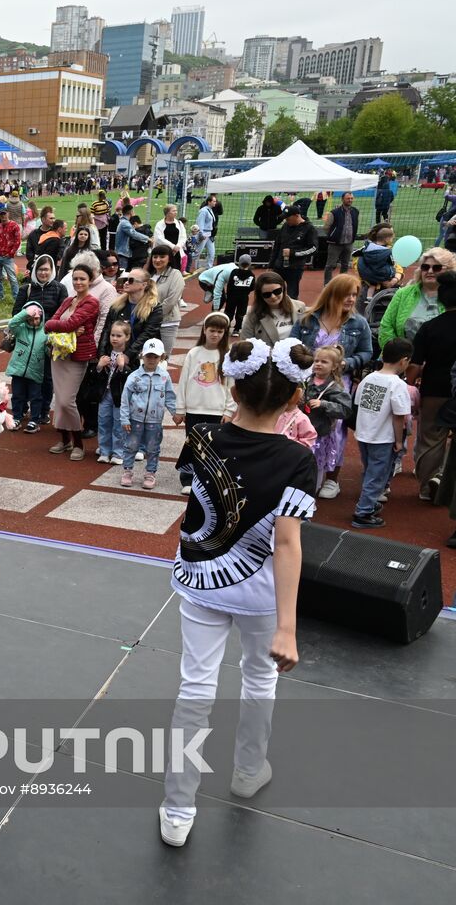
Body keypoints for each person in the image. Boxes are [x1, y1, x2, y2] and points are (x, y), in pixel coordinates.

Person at [162, 337, 315, 847]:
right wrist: (288, 627)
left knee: (195, 688)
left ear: (231, 383)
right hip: (261, 593)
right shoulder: (298, 459)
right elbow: (288, 543)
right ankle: (248, 768)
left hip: (200, 581)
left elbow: (192, 485)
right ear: (294, 399)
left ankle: (177, 809)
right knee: (259, 679)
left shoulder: (203, 437)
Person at [351, 338, 413, 529]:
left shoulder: (368, 378)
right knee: (377, 475)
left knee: (370, 470)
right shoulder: (397, 384)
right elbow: (398, 417)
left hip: (364, 435)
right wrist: (398, 441)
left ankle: (368, 503)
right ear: (404, 361)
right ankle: (363, 512)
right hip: (382, 438)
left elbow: (358, 404)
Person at [174, 312, 235, 493]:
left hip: (216, 410)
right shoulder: (194, 353)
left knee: (214, 447)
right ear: (204, 330)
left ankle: (208, 480)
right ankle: (188, 479)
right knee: (192, 444)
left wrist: (229, 411)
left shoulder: (227, 355)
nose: (215, 335)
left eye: (220, 331)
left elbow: (232, 386)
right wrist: (180, 408)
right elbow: (184, 381)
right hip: (194, 409)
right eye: (212, 330)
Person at [410, 271, 456, 501]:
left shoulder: (430, 328)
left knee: (430, 439)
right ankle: (450, 487)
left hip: (435, 390)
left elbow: (416, 364)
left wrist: (408, 384)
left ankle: (428, 487)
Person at [44, 266, 100, 460]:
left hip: (77, 357)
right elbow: (49, 323)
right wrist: (63, 329)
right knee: (59, 399)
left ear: (90, 281)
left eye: (82, 279)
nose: (78, 282)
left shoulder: (91, 302)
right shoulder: (69, 300)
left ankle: (78, 443)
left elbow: (67, 323)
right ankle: (64, 439)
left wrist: (59, 328)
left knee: (68, 400)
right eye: (75, 278)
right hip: (59, 356)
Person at [292, 274, 373, 405]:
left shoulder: (359, 323)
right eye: (346, 294)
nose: (351, 299)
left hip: (337, 384)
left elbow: (366, 352)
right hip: (306, 381)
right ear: (332, 294)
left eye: (354, 295)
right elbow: (292, 346)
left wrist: (346, 363)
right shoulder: (306, 319)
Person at [119, 339, 176, 490]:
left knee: (153, 448)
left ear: (162, 357)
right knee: (130, 446)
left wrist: (175, 413)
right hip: (134, 419)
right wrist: (124, 418)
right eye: (148, 356)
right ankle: (127, 471)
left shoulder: (164, 377)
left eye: (155, 357)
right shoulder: (133, 377)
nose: (151, 359)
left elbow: (169, 396)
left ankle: (150, 473)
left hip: (154, 420)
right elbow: (125, 399)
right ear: (142, 356)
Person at [379, 248, 456, 347]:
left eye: (437, 267)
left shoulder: (453, 298)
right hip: (401, 357)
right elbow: (386, 326)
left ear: (449, 271)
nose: (430, 271)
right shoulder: (403, 294)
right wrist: (397, 356)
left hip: (441, 358)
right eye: (425, 267)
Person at [303, 346, 352, 498]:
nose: (318, 364)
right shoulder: (306, 381)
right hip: (302, 432)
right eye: (316, 360)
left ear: (335, 366)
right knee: (301, 463)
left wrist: (324, 404)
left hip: (320, 434)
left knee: (316, 466)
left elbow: (345, 410)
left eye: (324, 362)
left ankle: (311, 495)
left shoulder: (335, 387)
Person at [94, 320, 133, 466]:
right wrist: (99, 366)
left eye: (119, 335)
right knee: (103, 421)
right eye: (112, 335)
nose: (114, 338)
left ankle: (118, 452)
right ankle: (104, 451)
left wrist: (123, 367)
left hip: (120, 396)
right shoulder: (105, 354)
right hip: (105, 393)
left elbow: (133, 378)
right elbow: (95, 376)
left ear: (127, 337)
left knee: (118, 424)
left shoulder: (129, 356)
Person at [5, 301, 47, 432]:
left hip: (35, 371)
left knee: (35, 397)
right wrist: (25, 313)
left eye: (36, 319)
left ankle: (34, 420)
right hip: (18, 370)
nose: (34, 321)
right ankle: (17, 417)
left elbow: (49, 352)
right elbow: (12, 323)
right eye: (30, 319)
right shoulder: (20, 329)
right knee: (17, 395)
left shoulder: (45, 333)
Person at [241, 271, 306, 344]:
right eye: (267, 294)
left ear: (283, 288)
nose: (273, 297)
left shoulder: (300, 307)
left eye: (277, 291)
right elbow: (245, 344)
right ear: (260, 296)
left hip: (295, 354)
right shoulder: (252, 316)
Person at [272, 207, 318, 300]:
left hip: (295, 268)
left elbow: (313, 249)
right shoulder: (285, 226)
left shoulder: (309, 228)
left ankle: (291, 313)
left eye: (288, 218)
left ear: (297, 216)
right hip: (279, 266)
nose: (286, 220)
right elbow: (277, 245)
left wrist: (293, 253)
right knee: (273, 291)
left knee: (291, 296)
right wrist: (271, 265)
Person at [149, 246, 185, 355]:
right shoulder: (149, 275)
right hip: (148, 324)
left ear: (169, 259)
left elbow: (171, 300)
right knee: (147, 356)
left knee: (163, 357)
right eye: (155, 257)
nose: (157, 260)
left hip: (167, 323)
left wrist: (153, 315)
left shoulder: (175, 274)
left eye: (162, 257)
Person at [321, 192, 359, 285]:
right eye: (348, 198)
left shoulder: (355, 211)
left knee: (345, 265)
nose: (350, 200)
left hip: (349, 243)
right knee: (330, 265)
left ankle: (342, 283)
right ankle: (327, 284)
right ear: (342, 199)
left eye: (351, 198)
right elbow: (326, 227)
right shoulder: (334, 212)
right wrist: (333, 236)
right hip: (335, 244)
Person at [356, 225, 399, 304]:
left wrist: (395, 279)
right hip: (371, 285)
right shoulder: (388, 251)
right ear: (386, 239)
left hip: (380, 285)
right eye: (392, 236)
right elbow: (394, 265)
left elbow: (399, 267)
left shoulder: (366, 249)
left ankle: (369, 298)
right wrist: (383, 279)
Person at [0, 206, 21, 303]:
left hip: (7, 257)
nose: (3, 216)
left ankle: (16, 297)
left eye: (4, 214)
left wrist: (11, 253)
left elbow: (17, 241)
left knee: (12, 278)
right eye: (1, 214)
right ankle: (0, 296)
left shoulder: (14, 226)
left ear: (8, 214)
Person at [152, 204, 186, 270]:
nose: (176, 212)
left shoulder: (179, 223)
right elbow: (159, 238)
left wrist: (178, 246)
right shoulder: (159, 224)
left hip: (176, 252)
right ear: (167, 213)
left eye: (176, 211)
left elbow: (183, 236)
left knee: (176, 270)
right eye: (173, 211)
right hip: (164, 252)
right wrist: (173, 246)